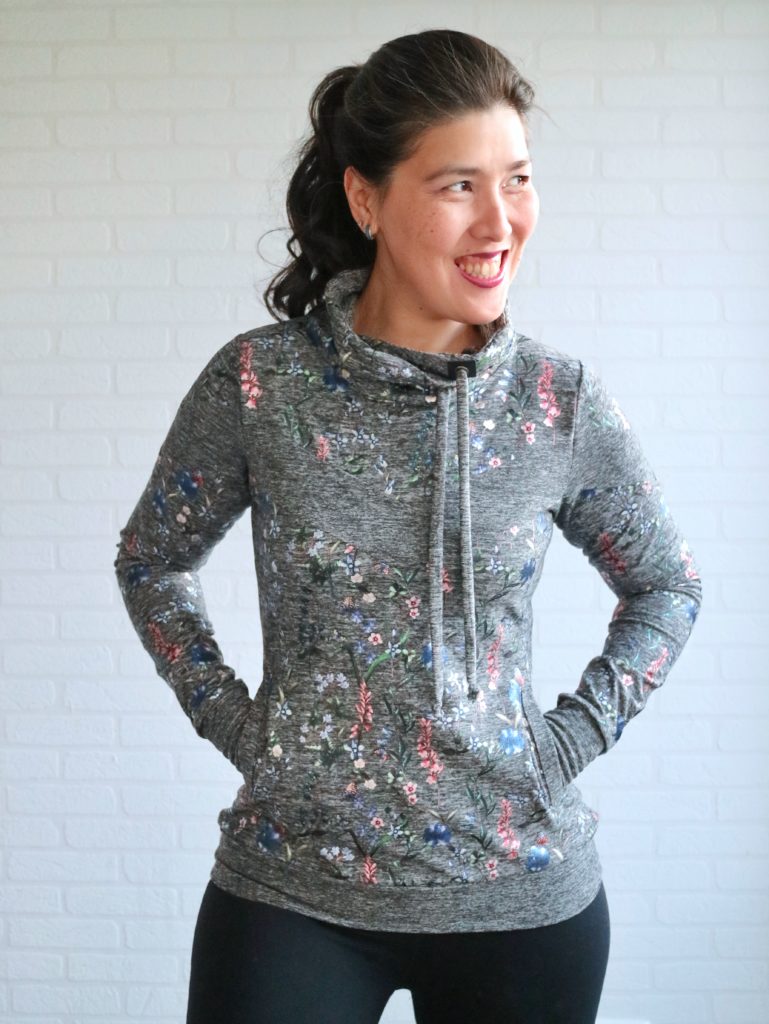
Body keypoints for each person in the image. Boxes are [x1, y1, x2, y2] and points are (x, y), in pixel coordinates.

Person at [114, 29, 702, 1024]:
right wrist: (240, 725)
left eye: (517, 179)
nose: (500, 220)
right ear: (366, 199)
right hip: (291, 888)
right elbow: (152, 561)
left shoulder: (555, 401)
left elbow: (667, 584)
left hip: (520, 899)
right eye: (457, 185)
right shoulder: (261, 384)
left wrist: (564, 742)